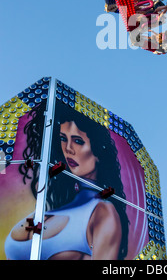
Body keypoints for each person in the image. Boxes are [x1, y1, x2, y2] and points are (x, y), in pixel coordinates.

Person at [5, 101, 129, 260]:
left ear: (98, 152)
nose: (68, 149)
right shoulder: (54, 205)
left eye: (78, 141)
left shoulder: (102, 212)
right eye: (63, 138)